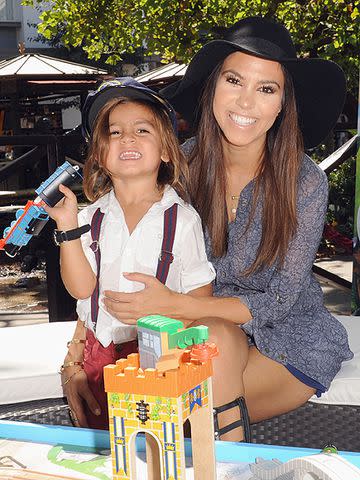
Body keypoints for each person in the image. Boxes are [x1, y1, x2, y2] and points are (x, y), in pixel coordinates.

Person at [102, 17, 353, 442]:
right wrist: (76, 353)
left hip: (288, 338)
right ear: (213, 88)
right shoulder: (180, 166)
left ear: (282, 104)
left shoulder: (305, 181)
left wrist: (179, 305)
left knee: (180, 405)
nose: (246, 102)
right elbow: (113, 245)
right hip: (205, 332)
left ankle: (219, 459)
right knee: (206, 350)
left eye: (266, 88)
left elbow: (277, 301)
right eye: (234, 80)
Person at [45, 77, 215, 430]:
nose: (128, 139)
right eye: (115, 133)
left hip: (160, 354)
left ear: (166, 150)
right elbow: (80, 289)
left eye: (142, 130)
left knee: (159, 444)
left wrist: (168, 332)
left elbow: (200, 298)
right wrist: (67, 228)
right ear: (100, 156)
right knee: (105, 447)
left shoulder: (182, 220)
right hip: (99, 352)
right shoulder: (89, 217)